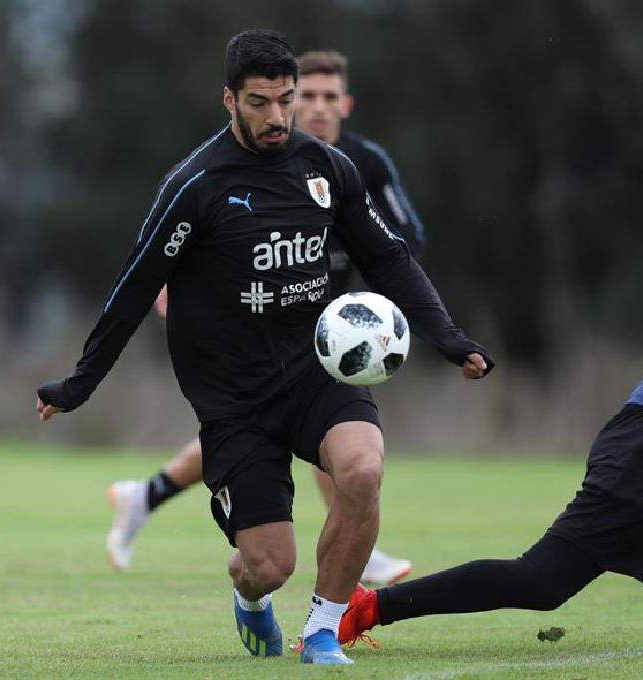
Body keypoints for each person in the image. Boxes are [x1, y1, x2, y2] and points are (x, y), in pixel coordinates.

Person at [38, 29, 492, 665]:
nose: (278, 116)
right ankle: (250, 596)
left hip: (316, 374)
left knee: (362, 470)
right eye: (260, 102)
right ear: (229, 100)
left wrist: (448, 337)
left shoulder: (329, 169)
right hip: (234, 400)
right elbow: (135, 287)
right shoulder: (194, 185)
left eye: (286, 99)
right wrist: (79, 384)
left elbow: (387, 257)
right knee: (270, 565)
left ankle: (325, 629)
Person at [105, 49, 426, 588]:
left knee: (332, 434)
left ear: (344, 105)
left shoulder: (359, 165)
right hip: (257, 331)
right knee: (262, 430)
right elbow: (179, 230)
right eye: (311, 97)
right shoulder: (241, 166)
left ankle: (148, 494)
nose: (318, 109)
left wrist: (370, 277)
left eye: (329, 98)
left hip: (331, 327)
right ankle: (153, 497)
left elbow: (406, 240)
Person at [339, 377, 643, 646]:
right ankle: (368, 608)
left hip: (628, 445)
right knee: (543, 579)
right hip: (634, 457)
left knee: (544, 582)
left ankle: (372, 607)